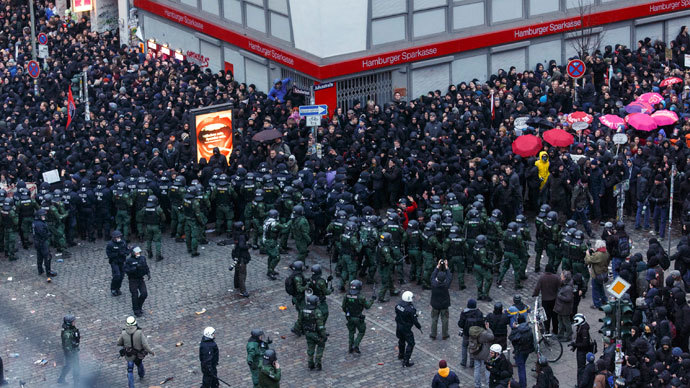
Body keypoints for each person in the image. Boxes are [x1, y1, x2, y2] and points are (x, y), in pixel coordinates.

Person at [117, 316, 154, 388]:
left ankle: (131, 386)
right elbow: (145, 345)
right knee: (139, 364)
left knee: (130, 370)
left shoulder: (123, 333)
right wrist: (151, 352)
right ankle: (141, 374)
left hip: (129, 355)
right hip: (138, 354)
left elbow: (119, 343)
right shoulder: (139, 332)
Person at [342, 279, 374, 353]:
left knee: (351, 332)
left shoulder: (346, 295)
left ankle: (350, 347)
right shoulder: (361, 297)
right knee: (362, 331)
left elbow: (343, 306)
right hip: (358, 317)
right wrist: (372, 300)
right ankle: (356, 344)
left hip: (349, 317)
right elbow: (367, 306)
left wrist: (347, 312)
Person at [395, 291, 422, 367]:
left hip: (399, 326)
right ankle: (406, 361)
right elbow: (414, 320)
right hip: (406, 328)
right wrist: (419, 327)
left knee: (401, 340)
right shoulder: (410, 309)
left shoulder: (398, 305)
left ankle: (401, 354)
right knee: (411, 343)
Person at [301, 294, 327, 370]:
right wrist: (324, 336)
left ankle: (310, 363)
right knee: (321, 345)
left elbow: (300, 321)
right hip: (316, 334)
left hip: (308, 333)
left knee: (310, 348)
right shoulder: (317, 312)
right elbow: (320, 327)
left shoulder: (303, 310)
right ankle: (318, 362)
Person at [533, 264, 561, 334]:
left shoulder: (542, 278)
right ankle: (555, 330)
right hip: (554, 300)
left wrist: (534, 294)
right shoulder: (556, 277)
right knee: (554, 316)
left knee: (546, 316)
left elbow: (537, 288)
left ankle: (547, 330)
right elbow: (560, 286)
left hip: (545, 300)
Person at [124, 247, 151, 317]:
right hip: (133, 280)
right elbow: (127, 270)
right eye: (136, 252)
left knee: (144, 293)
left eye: (139, 252)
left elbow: (145, 266)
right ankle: (136, 310)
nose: (138, 254)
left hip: (140, 279)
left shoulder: (142, 258)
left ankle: (139, 306)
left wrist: (148, 273)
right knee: (134, 295)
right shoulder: (129, 260)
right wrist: (135, 268)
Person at [509, 315, 534, 388]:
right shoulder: (528, 328)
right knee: (522, 363)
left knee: (521, 368)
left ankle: (523, 385)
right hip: (527, 350)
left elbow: (511, 338)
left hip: (520, 351)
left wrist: (513, 328)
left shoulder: (517, 330)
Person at [430, 259, 452, 340]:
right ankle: (445, 334)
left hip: (435, 304)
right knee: (445, 320)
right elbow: (450, 276)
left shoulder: (433, 283)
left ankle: (433, 334)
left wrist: (437, 266)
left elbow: (432, 275)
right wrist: (446, 267)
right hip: (444, 304)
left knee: (434, 319)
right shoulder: (446, 284)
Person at [469, 320, 494, 388]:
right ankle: (488, 385)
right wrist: (488, 328)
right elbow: (492, 337)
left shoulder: (471, 331)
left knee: (477, 368)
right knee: (487, 369)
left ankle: (477, 385)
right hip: (484, 353)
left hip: (475, 352)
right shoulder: (483, 333)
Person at [459, 298, 484, 368]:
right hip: (475, 334)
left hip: (466, 334)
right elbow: (482, 323)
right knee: (473, 347)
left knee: (464, 346)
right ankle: (472, 363)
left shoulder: (464, 313)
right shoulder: (479, 313)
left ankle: (463, 362)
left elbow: (460, 324)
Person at [586, 240, 610, 309]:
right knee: (601, 287)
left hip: (596, 274)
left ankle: (597, 304)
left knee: (595, 289)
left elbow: (588, 260)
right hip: (603, 273)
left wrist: (587, 254)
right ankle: (604, 300)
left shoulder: (598, 255)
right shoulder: (606, 253)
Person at [57, 314, 80, 386]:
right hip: (71, 353)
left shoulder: (71, 328)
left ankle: (61, 379)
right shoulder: (67, 333)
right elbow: (67, 346)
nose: (74, 322)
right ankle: (76, 385)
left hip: (72, 351)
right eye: (73, 321)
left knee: (68, 366)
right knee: (76, 368)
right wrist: (72, 355)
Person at [571, 313, 593, 386]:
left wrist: (575, 345)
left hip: (582, 351)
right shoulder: (582, 327)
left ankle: (580, 384)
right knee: (581, 368)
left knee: (581, 369)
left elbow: (584, 343)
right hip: (581, 350)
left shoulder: (583, 330)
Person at [288, 260, 308, 336]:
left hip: (297, 297)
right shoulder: (297, 277)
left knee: (301, 312)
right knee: (302, 313)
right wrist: (306, 286)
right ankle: (296, 327)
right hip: (298, 298)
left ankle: (301, 328)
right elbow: (299, 289)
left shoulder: (297, 275)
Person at [231, 221, 251, 297]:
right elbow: (242, 246)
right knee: (242, 274)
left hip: (236, 254)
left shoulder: (235, 234)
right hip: (242, 256)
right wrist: (248, 246)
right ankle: (243, 291)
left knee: (237, 270)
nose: (244, 227)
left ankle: (236, 285)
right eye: (242, 226)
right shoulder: (241, 236)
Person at [107, 230, 128, 296]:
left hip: (122, 261)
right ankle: (113, 288)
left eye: (119, 237)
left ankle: (118, 288)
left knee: (121, 276)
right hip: (114, 262)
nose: (118, 238)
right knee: (117, 275)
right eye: (117, 237)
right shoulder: (110, 244)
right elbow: (109, 254)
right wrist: (118, 253)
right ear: (113, 238)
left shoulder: (123, 243)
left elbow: (126, 250)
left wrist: (126, 252)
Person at [555, 271, 574, 342]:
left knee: (566, 322)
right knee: (560, 321)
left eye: (562, 276)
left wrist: (559, 296)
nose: (560, 277)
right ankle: (560, 334)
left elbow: (569, 299)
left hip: (565, 309)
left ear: (565, 278)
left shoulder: (568, 288)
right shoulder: (565, 284)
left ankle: (568, 336)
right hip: (561, 308)